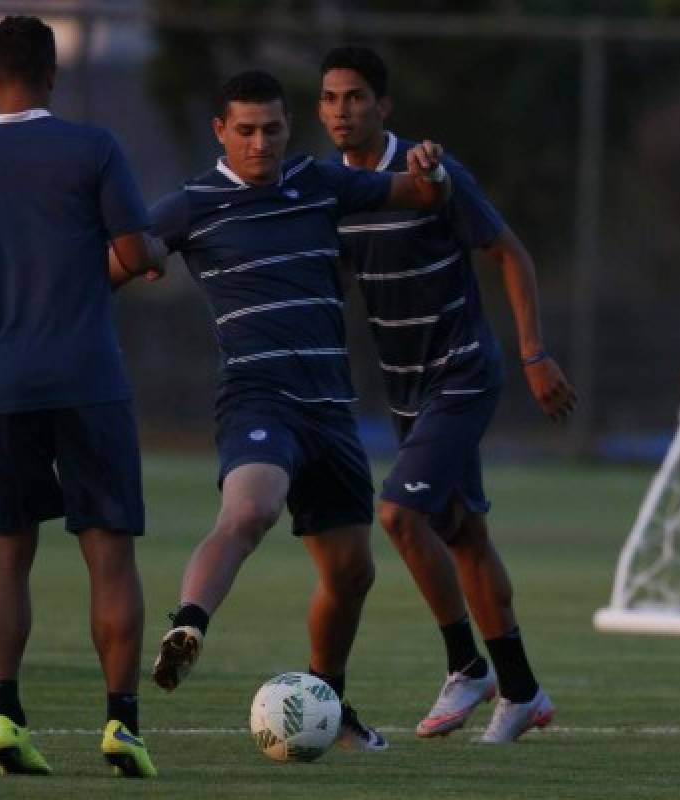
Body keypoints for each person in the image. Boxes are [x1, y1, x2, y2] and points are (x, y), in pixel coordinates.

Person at [138, 70, 451, 752]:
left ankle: (327, 701)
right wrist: (135, 254)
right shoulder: (191, 203)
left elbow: (419, 194)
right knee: (250, 509)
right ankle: (188, 624)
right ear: (220, 131)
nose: (260, 143)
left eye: (272, 129)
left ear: (288, 127)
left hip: (331, 408)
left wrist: (433, 170)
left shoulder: (317, 181)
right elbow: (119, 258)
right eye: (245, 130)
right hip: (259, 395)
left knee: (351, 574)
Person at [317, 47, 576, 744]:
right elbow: (332, 284)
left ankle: (468, 664)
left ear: (384, 107)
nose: (343, 110)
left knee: (402, 516)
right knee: (463, 533)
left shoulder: (431, 173)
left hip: (463, 371)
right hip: (406, 392)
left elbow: (510, 254)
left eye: (357, 97)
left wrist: (534, 352)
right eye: (331, 98)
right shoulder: (331, 192)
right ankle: (522, 692)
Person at [0, 15, 163, 777]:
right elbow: (130, 252)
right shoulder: (95, 147)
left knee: (6, 550)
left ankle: (5, 715)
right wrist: (133, 263)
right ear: (55, 75)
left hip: (4, 376)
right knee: (109, 553)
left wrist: (9, 320)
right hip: (88, 376)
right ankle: (120, 726)